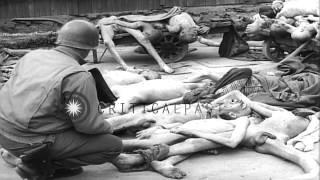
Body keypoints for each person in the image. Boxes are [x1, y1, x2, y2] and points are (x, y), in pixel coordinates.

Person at [0, 20, 124, 179]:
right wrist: (107, 127)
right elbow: (88, 126)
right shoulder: (78, 77)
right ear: (89, 49)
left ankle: (32, 156)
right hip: (27, 141)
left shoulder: (32, 56)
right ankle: (38, 166)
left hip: (3, 132)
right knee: (112, 145)